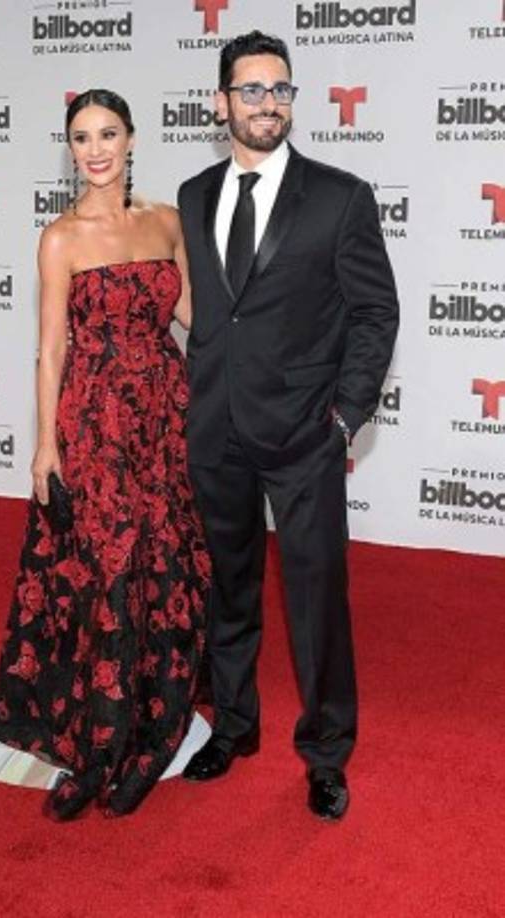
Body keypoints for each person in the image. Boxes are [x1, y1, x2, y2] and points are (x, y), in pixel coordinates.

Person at [178, 32, 399, 820]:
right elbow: (213, 313)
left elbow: (376, 312)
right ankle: (234, 725)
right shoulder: (194, 195)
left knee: (317, 600)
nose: (267, 103)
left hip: (306, 433)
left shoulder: (340, 197)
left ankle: (327, 753)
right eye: (251, 90)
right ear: (221, 103)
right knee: (227, 589)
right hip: (217, 428)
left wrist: (344, 416)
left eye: (280, 89)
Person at [0, 89, 210, 821]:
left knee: (162, 561)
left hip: (165, 415)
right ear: (70, 149)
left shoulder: (166, 222)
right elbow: (52, 347)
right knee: (107, 567)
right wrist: (45, 443)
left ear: (131, 139)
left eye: (108, 134)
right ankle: (99, 743)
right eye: (81, 138)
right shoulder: (60, 238)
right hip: (95, 419)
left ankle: (151, 723)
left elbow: (195, 318)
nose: (95, 150)